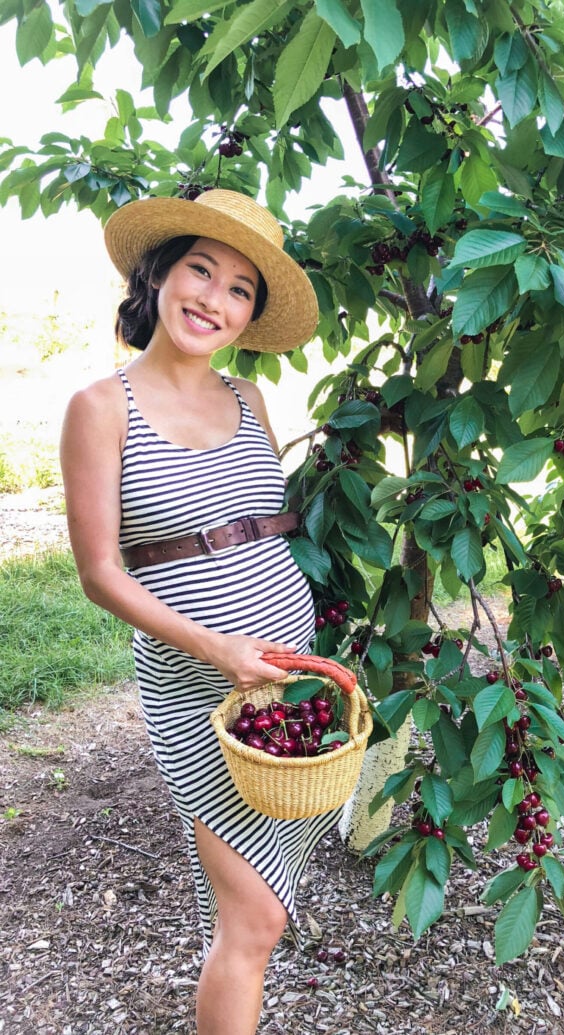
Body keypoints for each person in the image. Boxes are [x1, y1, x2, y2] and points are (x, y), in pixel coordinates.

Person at [59, 189, 337, 1035]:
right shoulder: (101, 409)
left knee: (265, 913)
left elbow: (257, 530)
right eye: (201, 270)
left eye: (241, 289)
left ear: (251, 316)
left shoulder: (250, 400)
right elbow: (101, 571)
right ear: (161, 275)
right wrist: (217, 648)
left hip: (284, 679)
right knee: (252, 921)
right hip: (198, 689)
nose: (214, 299)